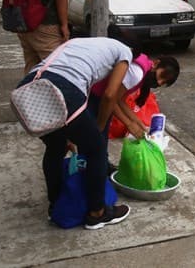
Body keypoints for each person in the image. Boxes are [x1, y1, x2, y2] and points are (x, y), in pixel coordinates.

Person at [15, 37, 175, 229]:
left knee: (56, 147)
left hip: (29, 89)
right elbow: (109, 95)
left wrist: (134, 121)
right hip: (65, 90)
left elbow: (115, 97)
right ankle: (97, 213)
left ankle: (56, 206)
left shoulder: (82, 42)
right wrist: (99, 127)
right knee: (96, 149)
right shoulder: (124, 53)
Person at [88, 52, 181, 172]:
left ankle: (101, 166)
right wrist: (129, 123)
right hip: (94, 96)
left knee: (100, 138)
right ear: (156, 63)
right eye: (161, 76)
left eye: (163, 83)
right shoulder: (137, 72)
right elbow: (111, 99)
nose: (159, 82)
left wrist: (139, 124)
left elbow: (120, 100)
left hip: (101, 96)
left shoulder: (143, 73)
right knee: (95, 137)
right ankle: (95, 171)